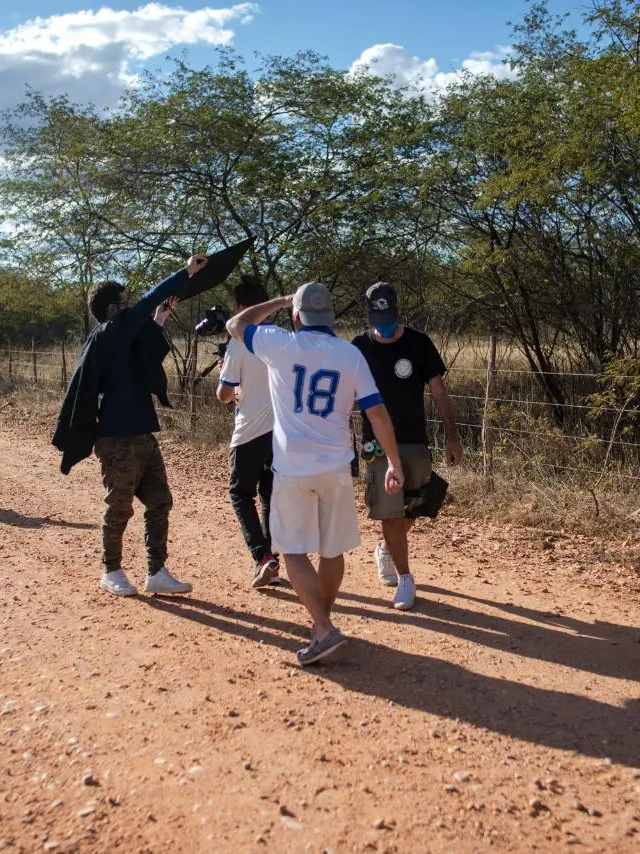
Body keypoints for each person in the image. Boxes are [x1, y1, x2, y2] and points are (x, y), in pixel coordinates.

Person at [226, 282, 404, 666]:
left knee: (291, 550)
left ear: (296, 315)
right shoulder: (351, 354)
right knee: (332, 550)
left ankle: (322, 628)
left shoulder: (279, 343)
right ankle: (321, 624)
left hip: (292, 469)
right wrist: (393, 461)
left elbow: (235, 324)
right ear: (331, 317)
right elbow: (376, 412)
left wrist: (276, 301)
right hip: (337, 467)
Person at [64, 254, 207, 598]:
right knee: (120, 506)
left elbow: (143, 356)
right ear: (112, 310)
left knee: (160, 502)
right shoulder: (106, 334)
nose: (132, 309)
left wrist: (158, 321)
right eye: (125, 304)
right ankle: (110, 570)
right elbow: (145, 304)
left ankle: (156, 571)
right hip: (118, 439)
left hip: (143, 434)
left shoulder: (120, 341)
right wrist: (185, 272)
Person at [351, 282, 463, 611]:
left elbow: (439, 393)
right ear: (368, 314)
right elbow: (344, 396)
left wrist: (452, 435)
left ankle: (387, 547)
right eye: (376, 316)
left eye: (387, 315)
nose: (382, 324)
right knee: (389, 510)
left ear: (399, 312)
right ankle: (405, 578)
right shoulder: (358, 347)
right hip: (376, 445)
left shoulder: (419, 343)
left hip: (415, 440)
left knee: (417, 505)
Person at [216, 276, 280, 589]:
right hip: (280, 432)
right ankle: (273, 559)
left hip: (249, 431)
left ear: (241, 308)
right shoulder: (282, 336)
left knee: (240, 493)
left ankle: (262, 557)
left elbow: (224, 395)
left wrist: (225, 376)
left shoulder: (238, 341)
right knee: (269, 494)